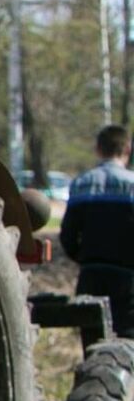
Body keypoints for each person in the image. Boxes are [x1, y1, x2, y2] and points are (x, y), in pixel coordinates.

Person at [60, 124, 134, 336]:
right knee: (128, 341)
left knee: (93, 339)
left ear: (98, 149)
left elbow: (68, 236)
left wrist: (85, 258)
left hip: (91, 275)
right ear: (127, 149)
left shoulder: (81, 183)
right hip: (128, 278)